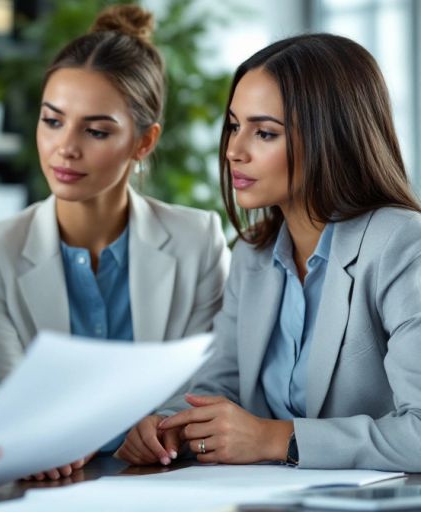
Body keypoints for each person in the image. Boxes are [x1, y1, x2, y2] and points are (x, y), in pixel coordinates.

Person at [118, 33, 421, 472]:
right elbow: (218, 387)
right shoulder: (252, 253)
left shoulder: (402, 244)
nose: (233, 151)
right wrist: (168, 426)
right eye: (234, 126)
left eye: (264, 133)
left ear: (331, 137)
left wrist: (277, 438)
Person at [0, 5, 229, 480]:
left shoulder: (198, 240)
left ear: (143, 143)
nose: (66, 147)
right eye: (52, 120)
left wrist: (162, 424)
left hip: (169, 484)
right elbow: (4, 399)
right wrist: (40, 438)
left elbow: (212, 380)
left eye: (97, 130)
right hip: (46, 491)